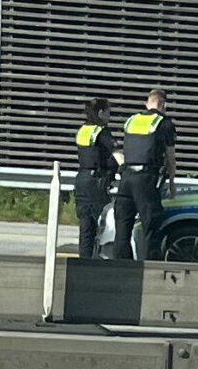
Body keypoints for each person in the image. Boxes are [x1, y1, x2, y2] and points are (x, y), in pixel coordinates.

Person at [113, 88, 176, 261]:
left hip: (126, 179)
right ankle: (149, 269)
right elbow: (170, 156)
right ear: (164, 105)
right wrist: (172, 181)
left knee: (122, 226)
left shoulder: (131, 120)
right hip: (146, 180)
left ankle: (120, 268)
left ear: (146, 104)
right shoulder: (164, 123)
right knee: (151, 224)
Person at [72, 97, 118, 258]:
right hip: (96, 182)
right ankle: (99, 261)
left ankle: (84, 262)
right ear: (101, 113)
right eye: (108, 112)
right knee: (103, 223)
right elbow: (115, 154)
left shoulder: (83, 130)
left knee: (85, 226)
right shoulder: (102, 132)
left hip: (82, 180)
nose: (109, 116)